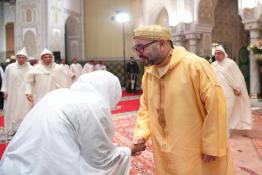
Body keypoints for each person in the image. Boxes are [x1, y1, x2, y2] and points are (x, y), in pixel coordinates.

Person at [131, 25, 235, 174]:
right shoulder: (149, 74)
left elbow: (216, 105)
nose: (138, 53)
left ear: (162, 44)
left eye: (141, 47)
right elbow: (146, 108)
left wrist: (212, 145)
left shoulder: (194, 65)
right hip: (163, 148)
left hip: (194, 149)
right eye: (136, 48)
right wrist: (141, 133)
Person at [0, 71, 132, 175]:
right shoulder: (94, 105)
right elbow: (100, 159)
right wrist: (128, 151)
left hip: (12, 166)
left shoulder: (57, 93)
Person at [211, 45, 252, 134]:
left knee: (227, 110)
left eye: (219, 53)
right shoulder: (213, 65)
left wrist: (237, 88)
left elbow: (237, 77)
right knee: (217, 111)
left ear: (223, 54)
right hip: (216, 92)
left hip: (228, 92)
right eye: (215, 53)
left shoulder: (231, 64)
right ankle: (219, 130)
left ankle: (225, 131)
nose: (217, 55)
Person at [1, 48, 33, 137]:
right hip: (12, 94)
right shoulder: (9, 67)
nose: (21, 59)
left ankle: (24, 130)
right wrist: (5, 91)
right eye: (19, 57)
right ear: (17, 58)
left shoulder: (31, 68)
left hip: (25, 95)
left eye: (23, 58)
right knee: (12, 110)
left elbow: (32, 82)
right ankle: (12, 129)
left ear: (26, 58)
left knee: (24, 111)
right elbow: (5, 80)